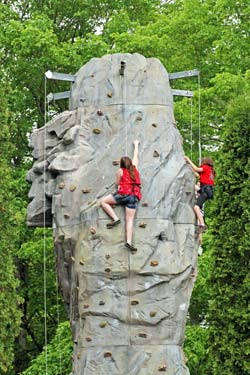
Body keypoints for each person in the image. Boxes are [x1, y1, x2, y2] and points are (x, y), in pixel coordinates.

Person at [100, 140, 142, 251]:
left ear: (122, 164)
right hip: (133, 196)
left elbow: (118, 184)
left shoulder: (120, 171)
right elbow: (136, 156)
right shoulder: (134, 168)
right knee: (130, 220)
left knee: (103, 201)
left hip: (123, 194)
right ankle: (128, 241)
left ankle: (115, 218)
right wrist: (136, 145)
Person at [184, 156, 215, 234]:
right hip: (207, 190)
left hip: (206, 190)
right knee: (198, 206)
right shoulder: (210, 170)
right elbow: (197, 174)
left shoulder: (206, 167)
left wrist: (188, 160)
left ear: (205, 162)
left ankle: (202, 224)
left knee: (196, 207)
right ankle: (201, 222)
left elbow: (197, 169)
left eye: (202, 161)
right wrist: (188, 165)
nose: (201, 163)